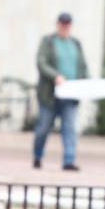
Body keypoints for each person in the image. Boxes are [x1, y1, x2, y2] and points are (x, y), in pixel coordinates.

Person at [33, 11, 88, 172]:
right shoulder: (48, 42)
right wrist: (55, 76)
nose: (64, 27)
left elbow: (83, 67)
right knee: (43, 128)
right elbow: (41, 63)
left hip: (70, 94)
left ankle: (69, 160)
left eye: (67, 24)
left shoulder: (76, 43)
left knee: (69, 128)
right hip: (50, 95)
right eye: (62, 24)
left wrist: (87, 82)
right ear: (57, 24)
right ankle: (37, 156)